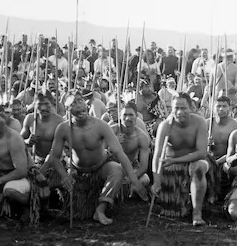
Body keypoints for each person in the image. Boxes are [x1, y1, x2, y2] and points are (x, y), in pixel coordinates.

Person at [44, 91, 147, 225]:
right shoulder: (63, 128)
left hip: (101, 165)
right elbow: (55, 157)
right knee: (48, 175)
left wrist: (134, 180)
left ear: (86, 105)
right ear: (68, 109)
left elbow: (119, 153)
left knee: (118, 170)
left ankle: (100, 209)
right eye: (73, 103)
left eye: (80, 101)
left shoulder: (101, 126)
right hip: (76, 169)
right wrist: (64, 176)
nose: (79, 105)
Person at [151, 93, 210, 226]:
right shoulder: (165, 126)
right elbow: (157, 155)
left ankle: (197, 214)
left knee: (198, 167)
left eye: (183, 108)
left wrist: (176, 161)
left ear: (191, 107)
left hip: (194, 161)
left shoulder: (199, 122)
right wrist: (156, 181)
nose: (179, 112)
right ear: (171, 108)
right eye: (176, 108)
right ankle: (173, 205)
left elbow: (201, 153)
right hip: (171, 163)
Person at [21, 92, 65, 208]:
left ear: (52, 104)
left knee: (44, 181)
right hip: (35, 159)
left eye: (46, 104)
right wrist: (27, 142)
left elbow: (56, 150)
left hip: (56, 161)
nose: (43, 108)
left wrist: (42, 170)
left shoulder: (59, 122)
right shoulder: (30, 119)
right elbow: (19, 140)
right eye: (40, 104)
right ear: (34, 104)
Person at [112, 101, 151, 192]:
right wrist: (113, 143)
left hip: (132, 167)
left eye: (131, 115)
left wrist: (130, 178)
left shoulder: (142, 137)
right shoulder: (112, 131)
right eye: (125, 115)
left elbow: (143, 167)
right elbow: (101, 152)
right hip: (112, 165)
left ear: (136, 116)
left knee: (145, 179)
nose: (128, 118)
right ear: (120, 116)